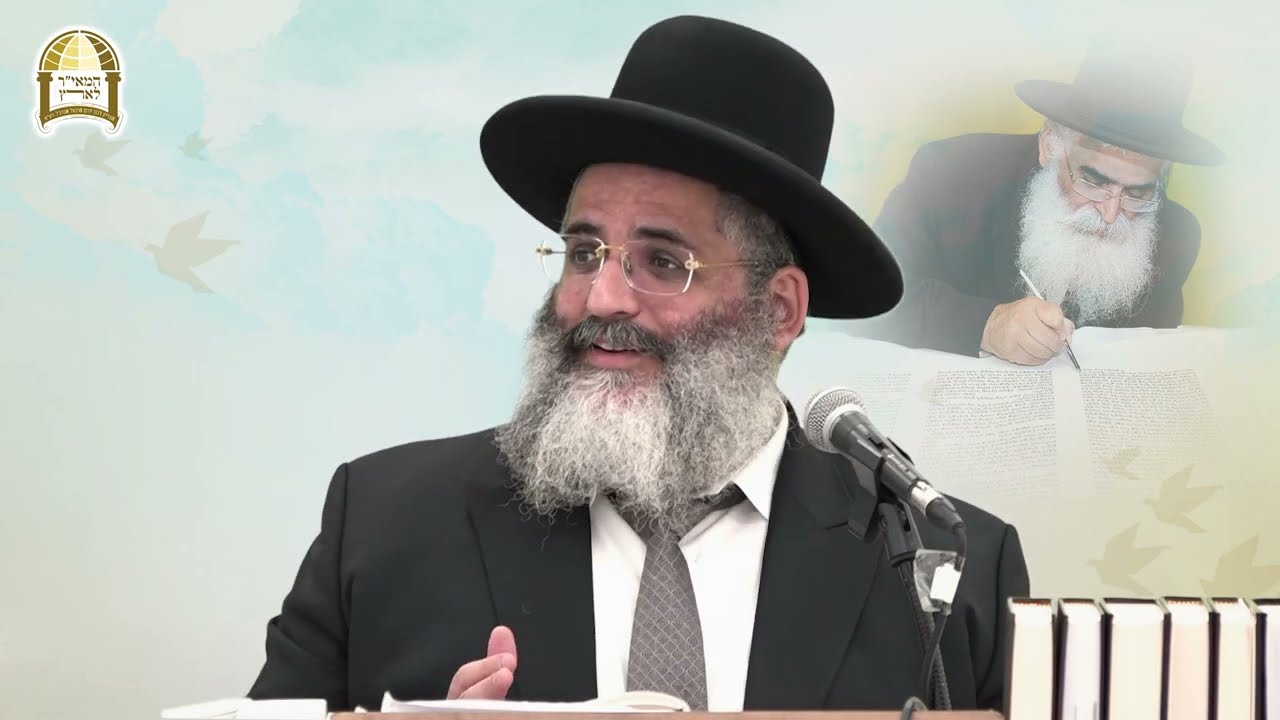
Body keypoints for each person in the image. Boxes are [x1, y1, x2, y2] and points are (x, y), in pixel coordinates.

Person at [246, 15, 1030, 713]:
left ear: (780, 311)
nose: (601, 298)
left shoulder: (945, 575)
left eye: (662, 262)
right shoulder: (383, 526)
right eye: (584, 252)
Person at [857, 40, 1223, 365]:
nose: (1111, 213)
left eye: (1137, 192)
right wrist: (987, 324)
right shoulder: (949, 175)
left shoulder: (1176, 234)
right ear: (1050, 145)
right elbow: (864, 296)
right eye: (1093, 181)